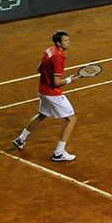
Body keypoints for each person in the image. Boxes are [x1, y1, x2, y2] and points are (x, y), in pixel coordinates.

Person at [13, 31, 79, 162]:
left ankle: (21, 139)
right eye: (66, 41)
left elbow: (40, 68)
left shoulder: (49, 51)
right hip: (52, 94)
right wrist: (70, 80)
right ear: (59, 43)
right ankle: (59, 153)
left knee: (42, 115)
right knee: (71, 119)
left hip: (42, 91)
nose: (68, 42)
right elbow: (56, 83)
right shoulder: (59, 57)